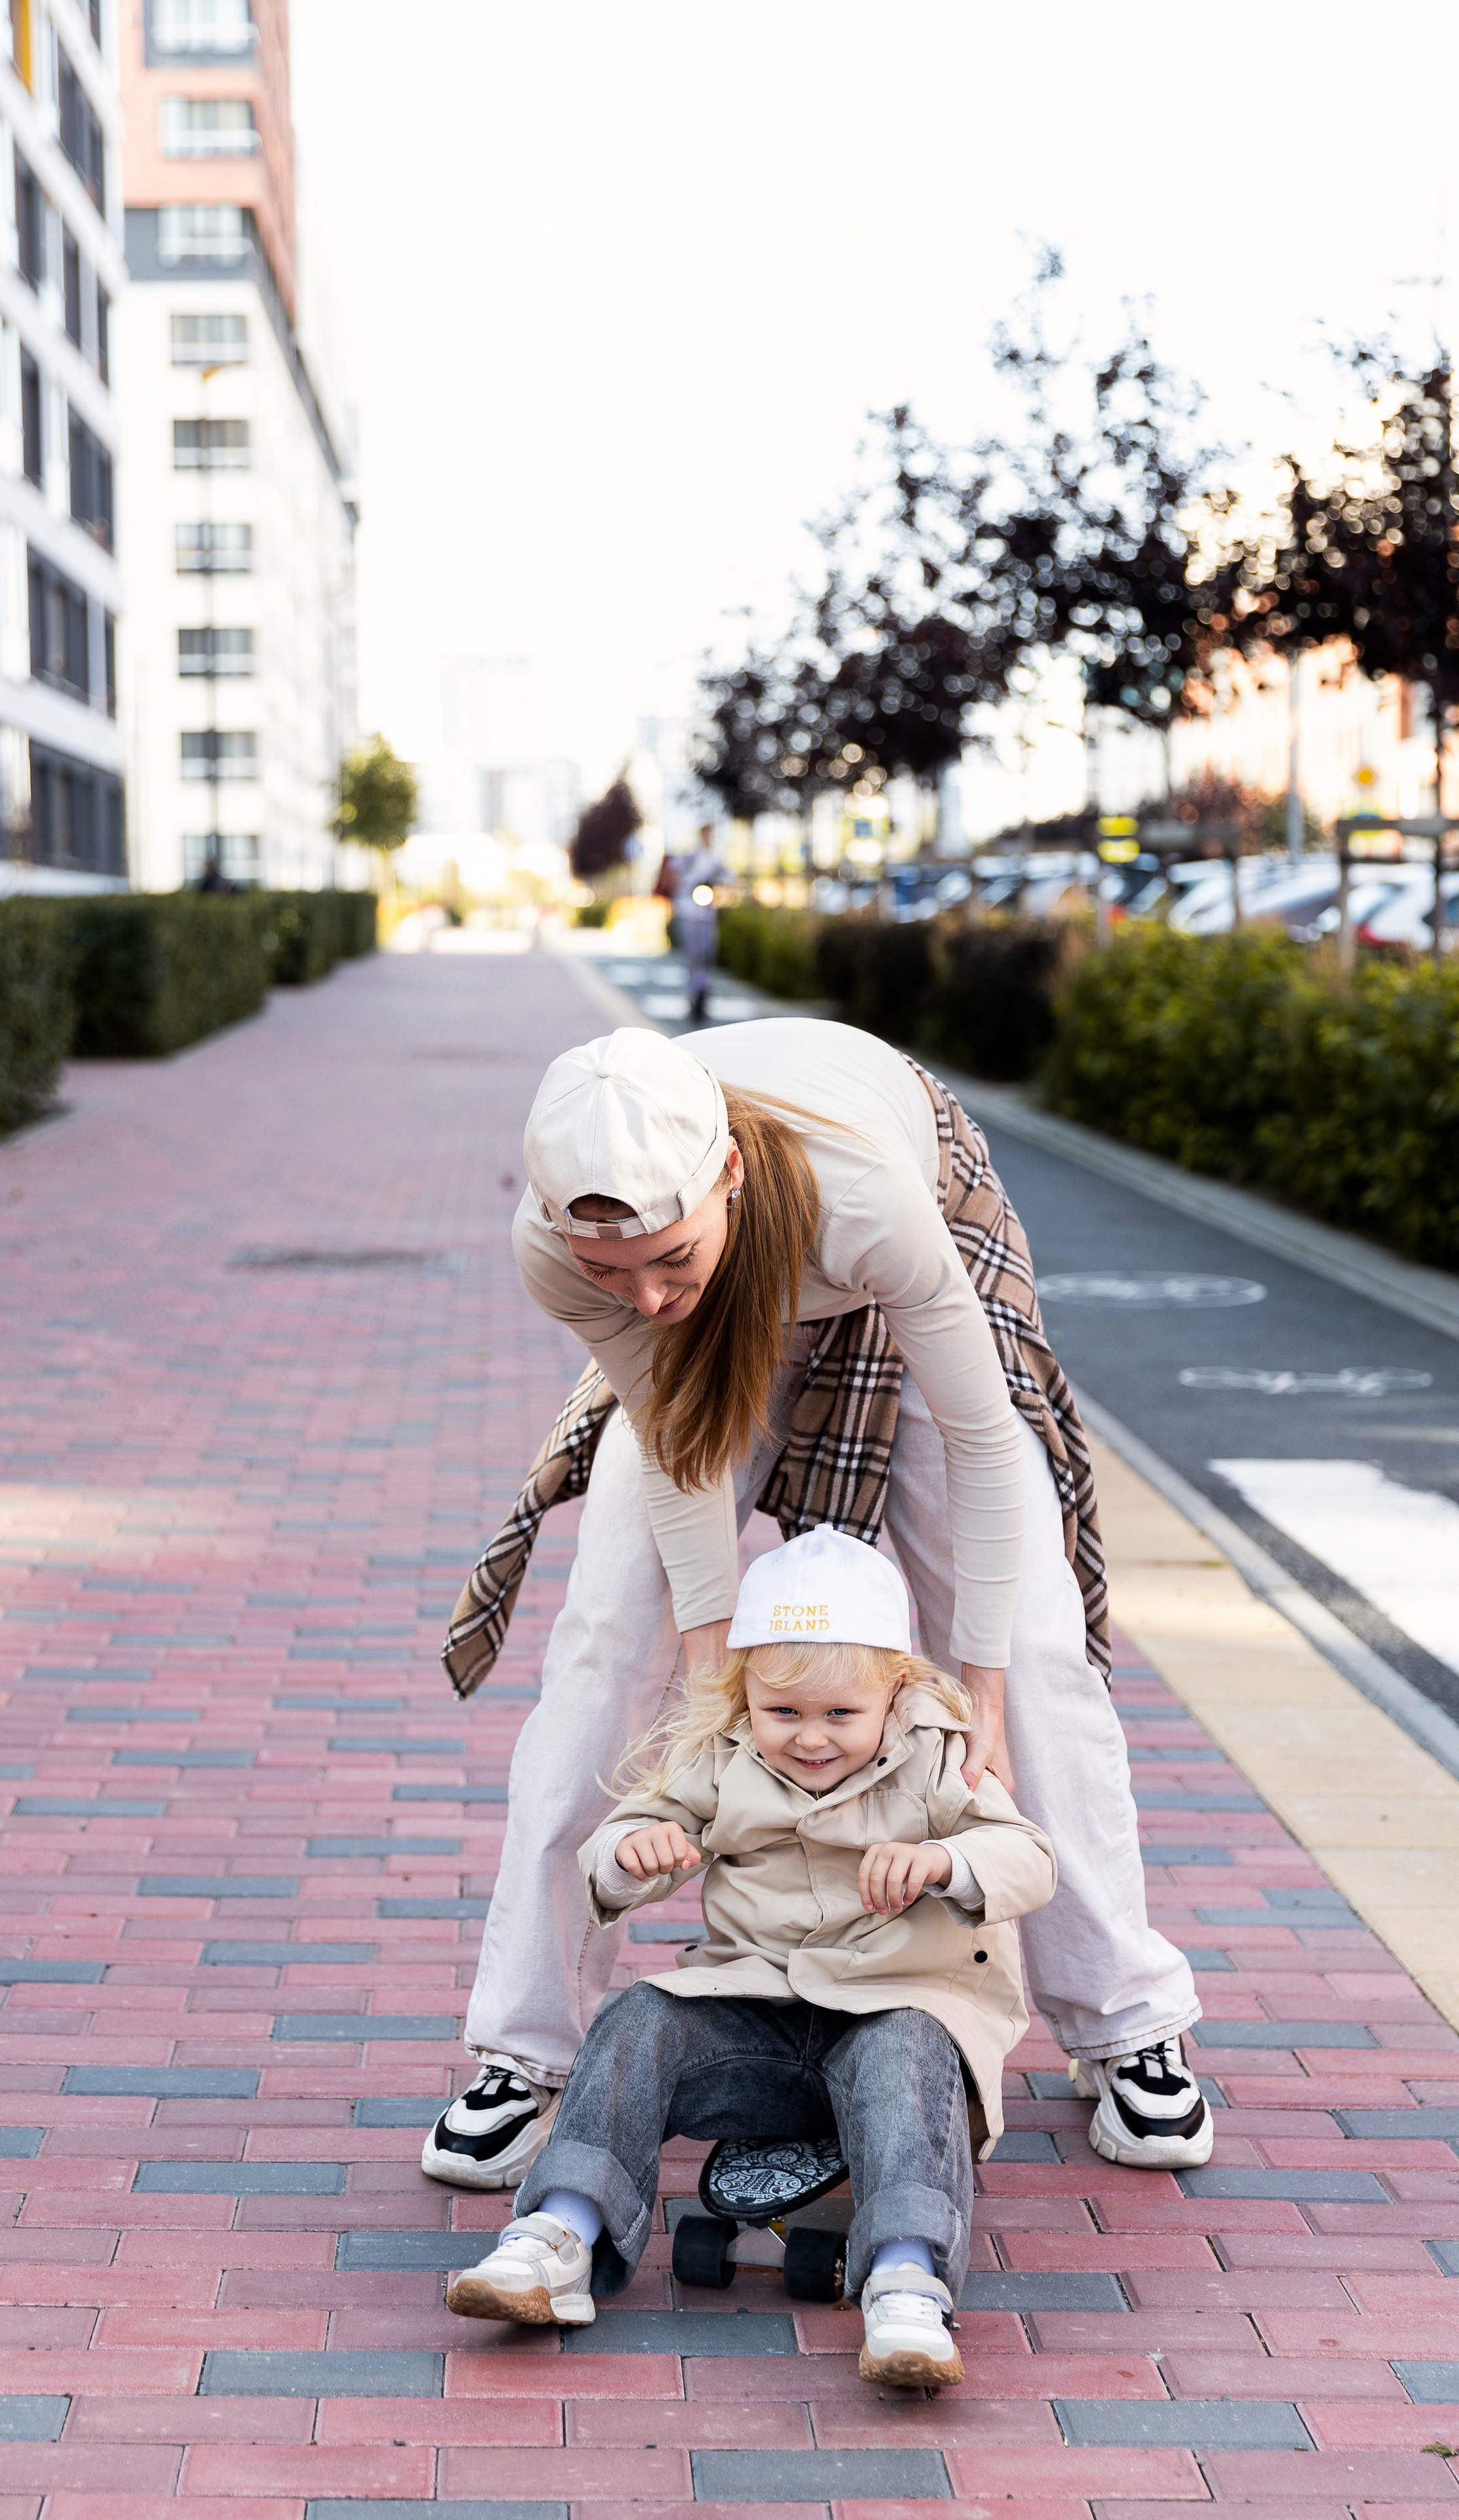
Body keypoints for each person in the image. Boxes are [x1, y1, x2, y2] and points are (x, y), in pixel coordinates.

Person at [422, 1021, 1212, 2194]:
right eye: (611, 1271)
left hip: (899, 1253)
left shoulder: (863, 1201)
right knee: (601, 1653)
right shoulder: (568, 1256)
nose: (644, 1296)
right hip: (724, 1339)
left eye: (668, 1257)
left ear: (727, 1177)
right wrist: (711, 1683)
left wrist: (979, 1682)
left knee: (1034, 1649)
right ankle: (529, 2051)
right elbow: (683, 1450)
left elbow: (989, 1444)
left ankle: (1125, 2017)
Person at [446, 1527, 1055, 2387]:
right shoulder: (721, 1757)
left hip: (894, 2002)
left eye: (841, 1714)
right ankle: (559, 2233)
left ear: (898, 1687)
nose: (811, 1738)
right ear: (745, 1695)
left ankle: (907, 2281)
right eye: (785, 1714)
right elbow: (618, 1840)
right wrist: (634, 1852)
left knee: (911, 2051)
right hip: (753, 2013)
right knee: (638, 2018)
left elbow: (1029, 1856)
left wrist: (946, 1861)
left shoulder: (937, 1756)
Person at [674, 823, 729, 1024]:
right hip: (690, 912)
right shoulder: (691, 856)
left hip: (707, 913)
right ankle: (692, 995)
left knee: (707, 955)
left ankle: (704, 995)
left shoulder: (715, 858)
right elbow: (677, 870)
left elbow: (728, 875)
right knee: (693, 957)